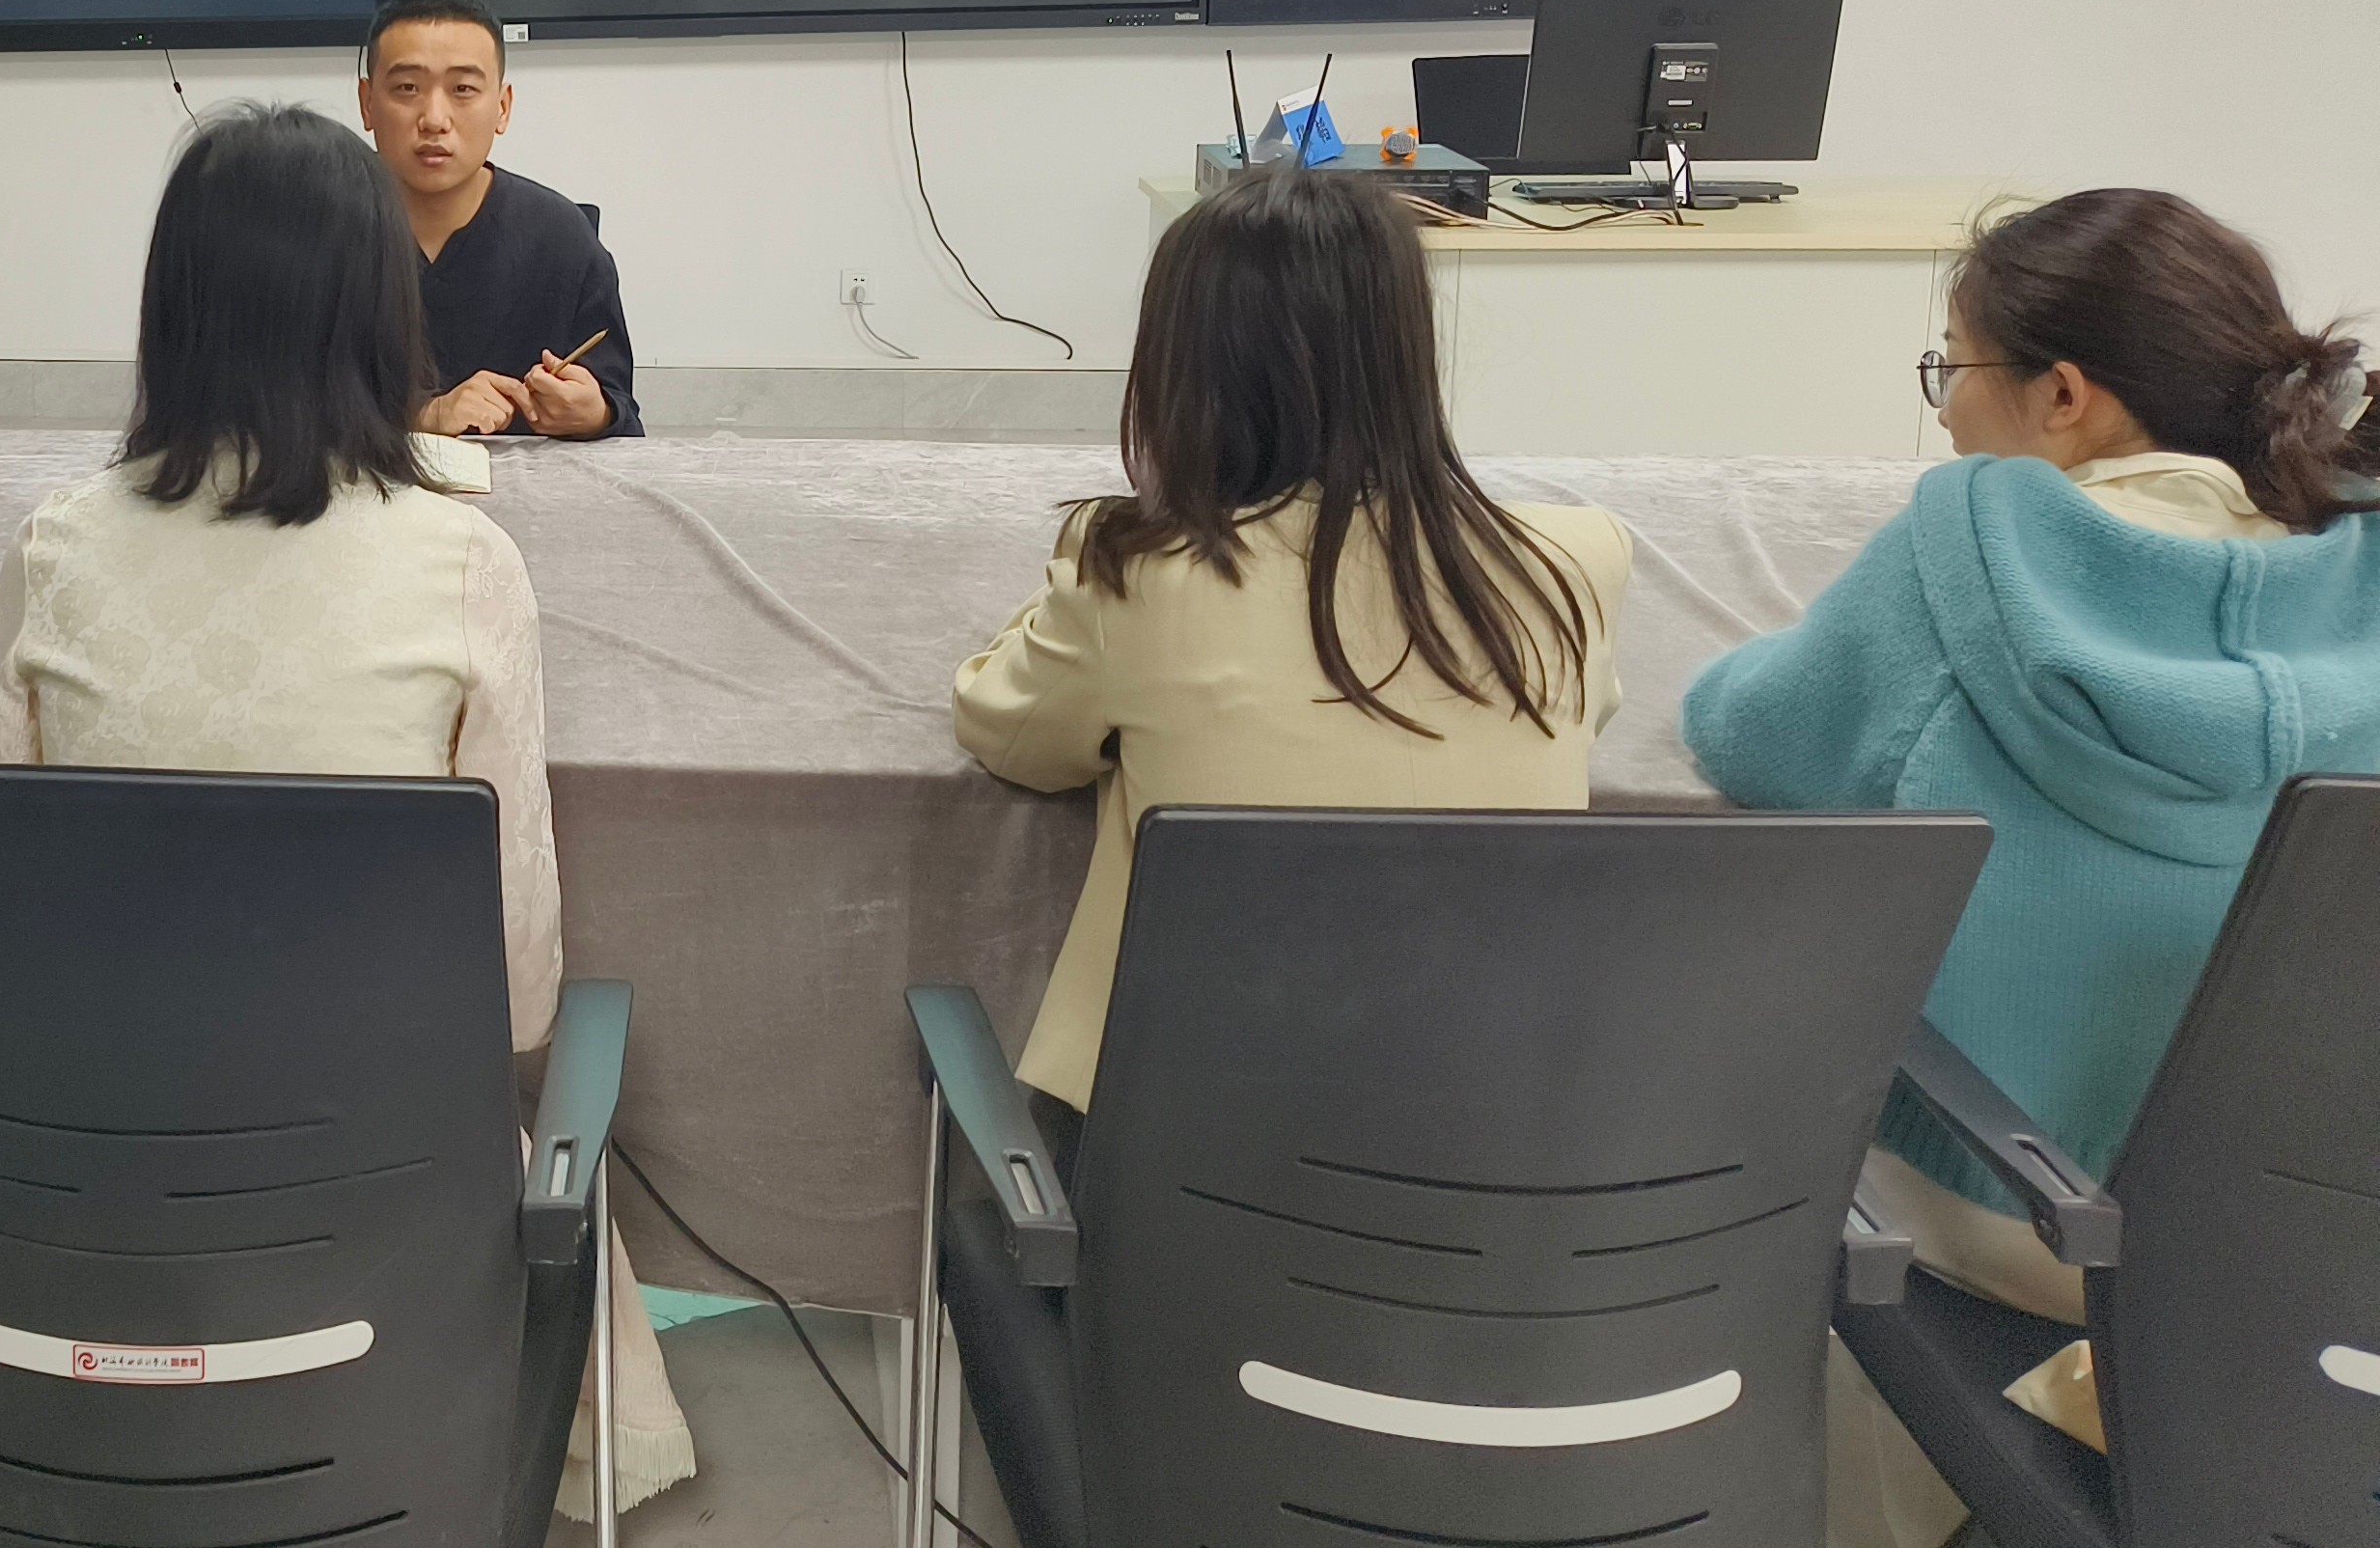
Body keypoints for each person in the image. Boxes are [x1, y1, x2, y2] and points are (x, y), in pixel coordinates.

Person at [0, 103, 692, 1548]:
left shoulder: (53, 550)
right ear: (381, 305)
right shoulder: (457, 560)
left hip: (89, 1161)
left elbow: (10, 899)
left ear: (172, 306)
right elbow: (520, 981)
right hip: (370, 1170)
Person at [1688, 190, 2380, 1330]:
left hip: (2006, 1208)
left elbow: (1750, 735)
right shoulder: (2359, 573)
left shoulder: (1970, 545)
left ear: (2063, 395)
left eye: (1951, 367)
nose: (1947, 414)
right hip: (2297, 1250)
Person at [953, 166, 1634, 1118]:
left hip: (1180, 1151)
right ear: (1404, 354)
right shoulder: (1575, 559)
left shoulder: (1137, 572)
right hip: (1496, 1149)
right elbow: (1587, 718)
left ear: (1180, 368)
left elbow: (1009, 732)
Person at [354, 0, 638, 440]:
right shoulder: (309, 234)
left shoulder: (561, 238)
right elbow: (265, 408)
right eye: (407, 88)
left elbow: (620, 411)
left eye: (463, 89)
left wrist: (595, 414)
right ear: (367, 103)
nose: (434, 119)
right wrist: (421, 417)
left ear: (502, 108)